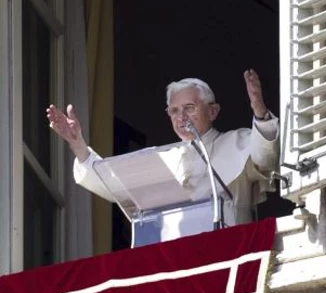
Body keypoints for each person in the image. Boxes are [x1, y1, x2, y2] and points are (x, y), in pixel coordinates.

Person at [46, 69, 279, 226]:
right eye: (174, 111)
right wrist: (77, 143)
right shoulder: (164, 157)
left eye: (189, 107)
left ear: (213, 111)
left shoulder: (237, 141)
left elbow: (266, 157)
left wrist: (259, 111)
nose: (181, 117)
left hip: (231, 250)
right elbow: (112, 183)